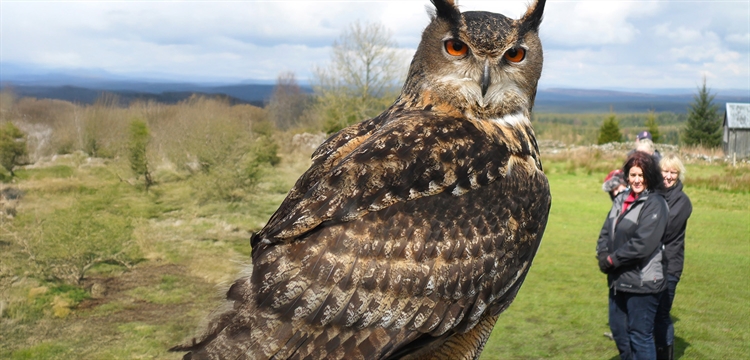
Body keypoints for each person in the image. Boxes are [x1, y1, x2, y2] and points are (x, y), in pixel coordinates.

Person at [596, 151, 669, 360]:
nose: (636, 180)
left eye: (641, 175)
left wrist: (611, 260)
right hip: (618, 281)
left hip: (643, 282)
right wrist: (602, 253)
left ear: (649, 176)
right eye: (633, 175)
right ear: (627, 176)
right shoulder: (621, 200)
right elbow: (605, 231)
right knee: (619, 333)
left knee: (640, 336)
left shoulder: (655, 203)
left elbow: (642, 244)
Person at [654, 154, 693, 360]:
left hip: (670, 267)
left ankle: (665, 355)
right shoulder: (653, 193)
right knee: (648, 314)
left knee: (661, 314)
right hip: (649, 265)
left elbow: (665, 230)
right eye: (665, 171)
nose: (668, 176)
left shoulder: (683, 202)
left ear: (679, 175)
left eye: (673, 172)